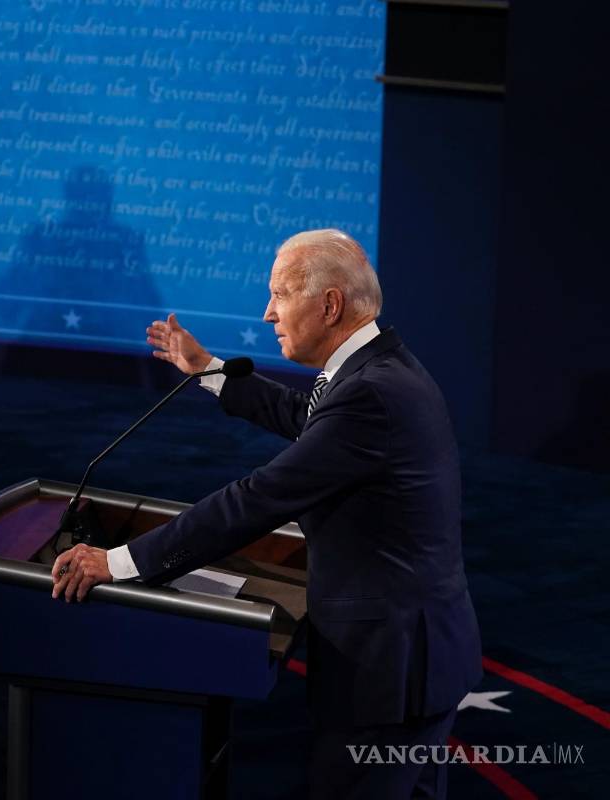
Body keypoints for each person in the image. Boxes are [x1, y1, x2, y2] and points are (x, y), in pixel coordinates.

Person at [50, 229, 482, 798]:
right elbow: (308, 415)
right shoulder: (379, 369)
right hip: (417, 656)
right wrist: (208, 369)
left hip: (388, 672)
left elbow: (257, 499)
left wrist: (122, 563)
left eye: (280, 295)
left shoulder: (371, 395)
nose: (268, 312)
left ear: (328, 305)